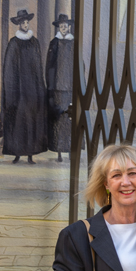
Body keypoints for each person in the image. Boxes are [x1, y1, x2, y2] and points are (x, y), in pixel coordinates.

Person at [1, 9, 47, 164]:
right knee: (19, 121)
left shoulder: (34, 42)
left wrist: (40, 88)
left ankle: (30, 154)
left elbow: (38, 67)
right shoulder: (14, 43)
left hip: (32, 89)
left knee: (31, 120)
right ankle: (17, 153)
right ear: (19, 24)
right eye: (23, 23)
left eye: (27, 22)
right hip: (19, 90)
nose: (26, 25)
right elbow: (9, 69)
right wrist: (11, 90)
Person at [45, 13, 74, 161]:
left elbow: (79, 64)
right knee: (58, 119)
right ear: (59, 28)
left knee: (70, 118)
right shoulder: (54, 43)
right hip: (57, 88)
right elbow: (49, 66)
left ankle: (70, 149)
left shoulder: (74, 43)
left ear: (69, 27)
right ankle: (59, 151)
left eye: (65, 26)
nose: (63, 28)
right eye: (61, 26)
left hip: (70, 87)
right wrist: (50, 85)